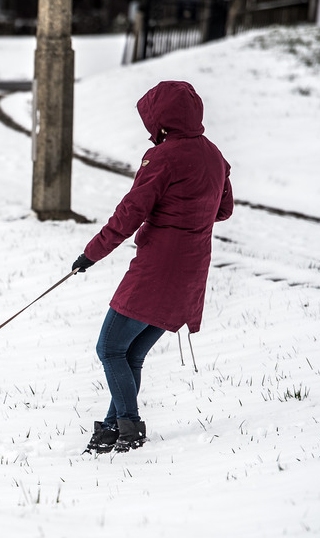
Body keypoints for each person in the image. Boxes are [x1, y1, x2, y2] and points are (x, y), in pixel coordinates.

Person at [71, 80, 234, 455]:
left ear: (160, 118)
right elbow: (222, 210)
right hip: (191, 273)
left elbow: (131, 212)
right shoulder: (214, 155)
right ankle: (113, 430)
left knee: (110, 348)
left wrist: (92, 254)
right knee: (130, 355)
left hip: (157, 269)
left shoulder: (163, 157)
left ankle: (129, 427)